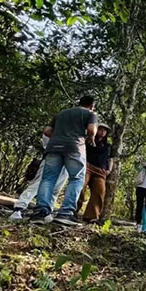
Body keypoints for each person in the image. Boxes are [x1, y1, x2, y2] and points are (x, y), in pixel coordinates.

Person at [30, 96, 98, 225]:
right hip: (74, 148)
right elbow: (91, 130)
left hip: (54, 147)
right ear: (92, 106)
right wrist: (91, 138)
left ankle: (40, 213)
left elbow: (47, 131)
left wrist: (59, 137)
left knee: (48, 179)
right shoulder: (90, 114)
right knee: (76, 178)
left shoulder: (61, 113)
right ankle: (66, 213)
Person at [8, 134, 68, 221]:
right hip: (55, 157)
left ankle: (46, 212)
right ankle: (19, 209)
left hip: (67, 161)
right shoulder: (61, 124)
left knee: (55, 189)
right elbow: (47, 133)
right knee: (38, 185)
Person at [76, 123, 113, 223]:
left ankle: (91, 216)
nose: (102, 132)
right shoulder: (88, 140)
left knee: (99, 191)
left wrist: (109, 170)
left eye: (105, 131)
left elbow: (111, 159)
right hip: (87, 166)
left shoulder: (108, 146)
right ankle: (72, 211)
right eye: (100, 129)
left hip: (101, 171)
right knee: (80, 186)